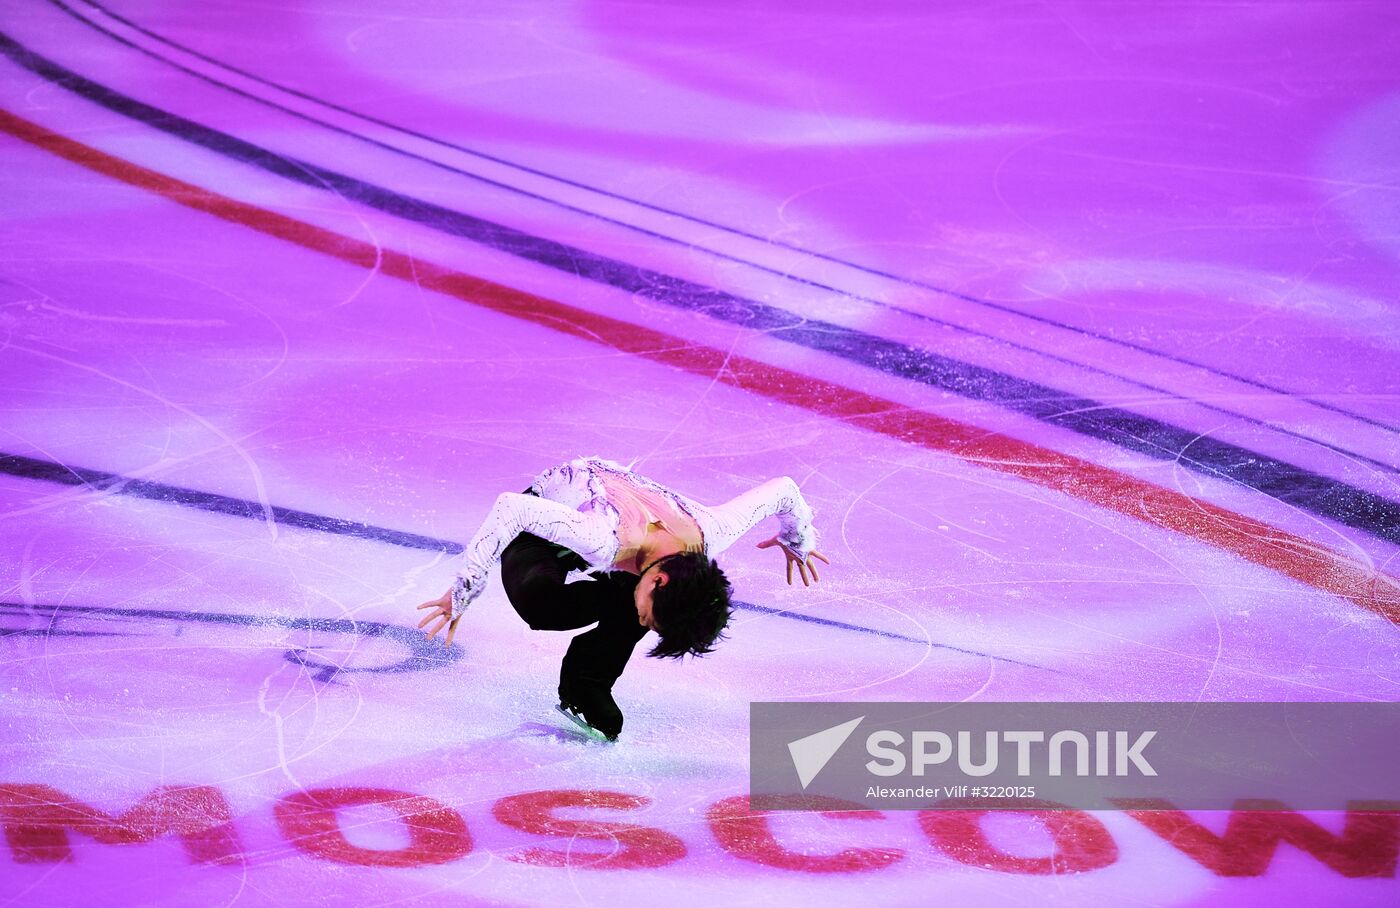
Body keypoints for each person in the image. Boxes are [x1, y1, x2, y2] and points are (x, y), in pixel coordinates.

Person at [415, 457, 829, 740]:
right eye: (655, 621)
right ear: (662, 579)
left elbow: (784, 491)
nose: (647, 627)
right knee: (541, 603)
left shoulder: (710, 533)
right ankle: (599, 619)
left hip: (625, 539)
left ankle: (586, 683)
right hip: (544, 527)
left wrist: (799, 540)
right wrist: (463, 591)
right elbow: (511, 509)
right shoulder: (602, 537)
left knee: (633, 606)